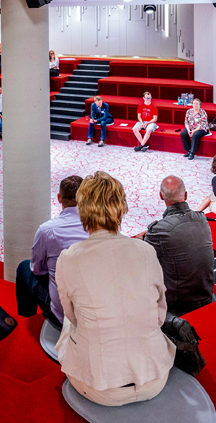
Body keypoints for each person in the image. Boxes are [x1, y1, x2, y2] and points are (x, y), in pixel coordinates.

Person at [55, 171, 176, 407]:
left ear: (82, 209)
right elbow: (160, 312)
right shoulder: (145, 250)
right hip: (154, 377)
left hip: (98, 386)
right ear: (122, 208)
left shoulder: (69, 258)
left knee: (71, 320)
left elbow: (71, 316)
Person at [138, 175, 215, 316]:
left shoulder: (159, 230)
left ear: (161, 196)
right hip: (207, 295)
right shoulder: (202, 219)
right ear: (186, 195)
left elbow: (143, 259)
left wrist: (142, 239)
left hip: (179, 305)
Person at [15, 175, 85, 328]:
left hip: (63, 317)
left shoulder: (47, 230)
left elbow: (37, 270)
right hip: (94, 313)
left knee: (24, 267)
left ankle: (25, 321)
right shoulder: (99, 228)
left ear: (59, 198)